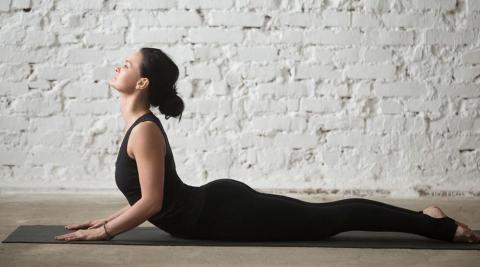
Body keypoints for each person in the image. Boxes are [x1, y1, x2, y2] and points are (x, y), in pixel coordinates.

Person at [54, 47, 479, 243]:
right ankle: (428, 219)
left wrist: (106, 233)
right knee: (326, 217)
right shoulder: (137, 126)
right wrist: (100, 222)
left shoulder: (144, 129)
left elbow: (150, 203)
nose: (118, 65)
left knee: (329, 219)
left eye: (127, 64)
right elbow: (144, 197)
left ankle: (436, 226)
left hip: (221, 213)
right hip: (212, 209)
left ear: (142, 82)